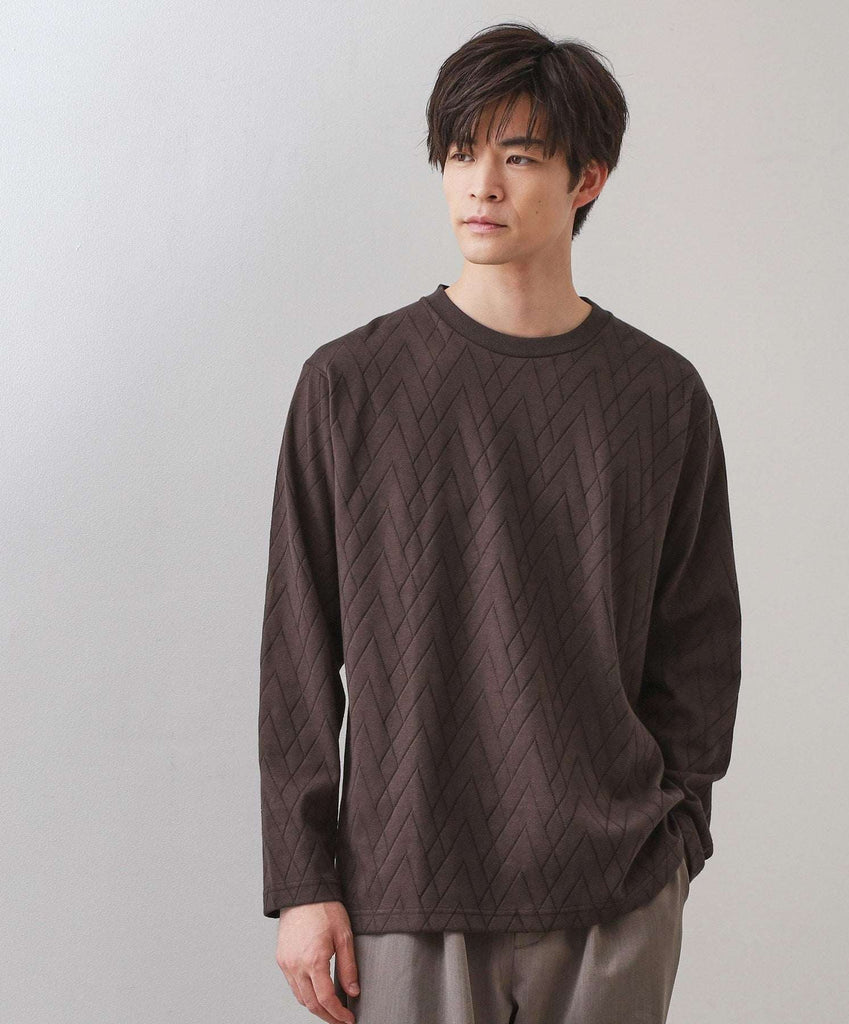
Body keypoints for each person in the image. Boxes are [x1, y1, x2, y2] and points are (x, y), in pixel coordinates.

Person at [258, 21, 742, 1024]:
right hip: (405, 889)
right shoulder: (349, 386)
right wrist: (304, 880)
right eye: (460, 152)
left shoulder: (661, 397)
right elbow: (297, 654)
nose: (480, 185)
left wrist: (675, 843)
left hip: (614, 893)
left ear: (586, 179)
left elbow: (699, 645)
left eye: (518, 158)